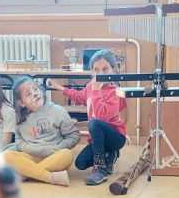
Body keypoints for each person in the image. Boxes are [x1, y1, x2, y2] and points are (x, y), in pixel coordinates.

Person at [46, 50, 127, 186]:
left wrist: (96, 91)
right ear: (92, 72)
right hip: (99, 140)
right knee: (80, 163)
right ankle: (109, 155)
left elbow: (102, 117)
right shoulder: (90, 87)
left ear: (113, 70)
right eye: (96, 70)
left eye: (105, 69)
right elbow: (79, 96)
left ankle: (100, 169)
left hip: (116, 138)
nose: (100, 73)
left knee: (94, 123)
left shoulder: (116, 91)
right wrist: (61, 88)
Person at [3, 76, 80, 186]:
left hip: (54, 155)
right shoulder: (18, 117)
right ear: (21, 103)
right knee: (6, 155)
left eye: (35, 89)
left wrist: (58, 147)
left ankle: (27, 174)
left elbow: (74, 136)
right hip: (30, 156)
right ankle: (49, 177)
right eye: (28, 94)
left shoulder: (58, 111)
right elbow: (18, 139)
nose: (34, 94)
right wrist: (25, 147)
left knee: (67, 154)